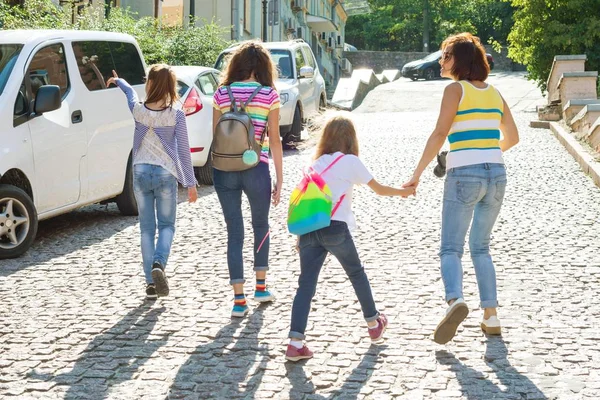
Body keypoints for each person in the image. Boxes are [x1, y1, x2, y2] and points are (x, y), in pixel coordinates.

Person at [402, 33, 519, 344]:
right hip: (496, 174)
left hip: (464, 175)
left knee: (451, 248)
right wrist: (486, 155)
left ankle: (455, 301)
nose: (442, 61)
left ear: (462, 61)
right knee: (481, 247)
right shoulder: (495, 93)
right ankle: (491, 316)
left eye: (447, 56)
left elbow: (441, 132)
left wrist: (417, 174)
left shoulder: (455, 89)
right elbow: (513, 137)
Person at [285, 114, 415, 362]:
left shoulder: (317, 163)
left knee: (306, 286)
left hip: (309, 230)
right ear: (351, 140)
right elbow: (380, 189)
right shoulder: (350, 162)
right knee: (356, 273)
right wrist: (404, 192)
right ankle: (374, 323)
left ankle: (295, 343)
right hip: (335, 229)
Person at [107, 65, 198, 300]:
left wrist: (120, 82)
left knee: (147, 229)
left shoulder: (138, 111)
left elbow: (130, 94)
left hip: (139, 173)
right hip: (165, 174)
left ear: (150, 84)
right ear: (171, 86)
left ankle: (150, 282)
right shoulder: (175, 114)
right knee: (167, 226)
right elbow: (184, 152)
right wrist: (190, 183)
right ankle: (159, 263)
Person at [212, 41, 283, 318]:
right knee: (261, 225)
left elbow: (215, 135)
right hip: (256, 167)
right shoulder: (269, 95)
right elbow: (275, 140)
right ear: (263, 67)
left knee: (234, 231)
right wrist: (279, 177)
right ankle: (261, 287)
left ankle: (238, 299)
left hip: (224, 168)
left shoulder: (221, 93)